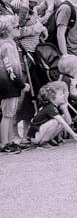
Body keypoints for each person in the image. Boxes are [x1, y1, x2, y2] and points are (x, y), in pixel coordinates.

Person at [0, 16, 28, 153]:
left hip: (8, 84)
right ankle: (5, 143)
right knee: (7, 114)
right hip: (8, 85)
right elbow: (12, 68)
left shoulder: (7, 44)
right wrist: (21, 84)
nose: (20, 29)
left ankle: (9, 140)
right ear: (9, 30)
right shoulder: (7, 46)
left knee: (10, 113)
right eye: (17, 27)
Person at [26, 81, 77, 146]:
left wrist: (65, 109)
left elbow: (68, 122)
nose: (63, 95)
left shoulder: (56, 106)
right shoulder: (50, 108)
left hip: (40, 133)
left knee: (62, 118)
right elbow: (62, 122)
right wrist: (73, 134)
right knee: (55, 121)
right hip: (35, 136)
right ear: (53, 99)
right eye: (61, 94)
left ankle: (49, 139)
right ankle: (44, 141)